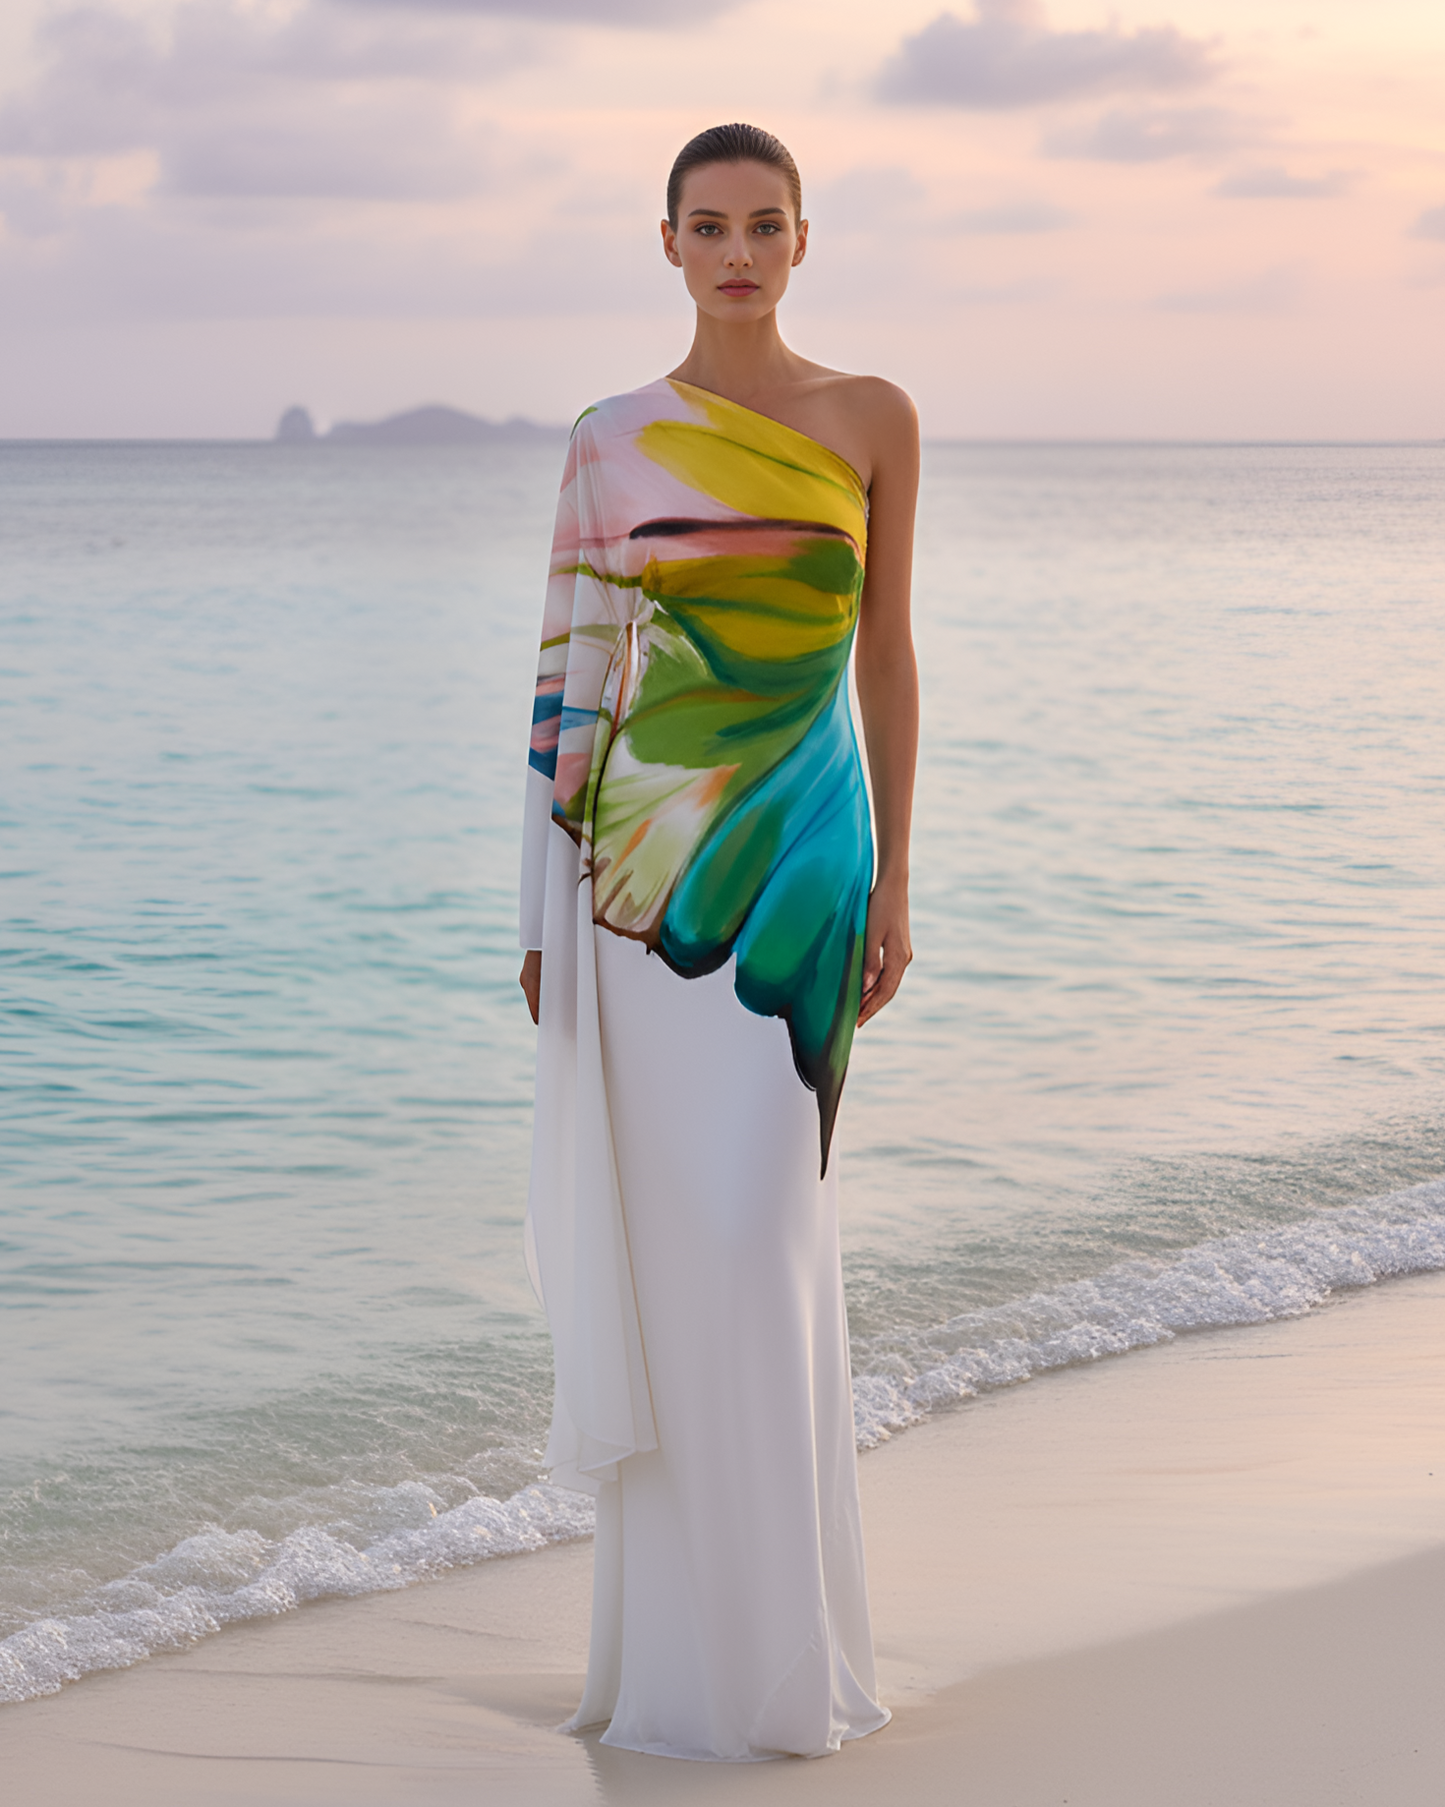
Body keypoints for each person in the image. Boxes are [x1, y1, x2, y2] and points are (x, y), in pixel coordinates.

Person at [517, 121, 919, 1763]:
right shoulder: (611, 440)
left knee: (766, 1245)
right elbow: (566, 685)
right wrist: (541, 915)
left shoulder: (872, 419)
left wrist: (896, 878)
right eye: (710, 226)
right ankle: (684, 1667)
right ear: (667, 244)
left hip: (802, 891)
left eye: (764, 224)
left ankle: (782, 1652)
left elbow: (887, 653)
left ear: (804, 240)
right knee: (683, 1263)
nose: (738, 251)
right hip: (640, 895)